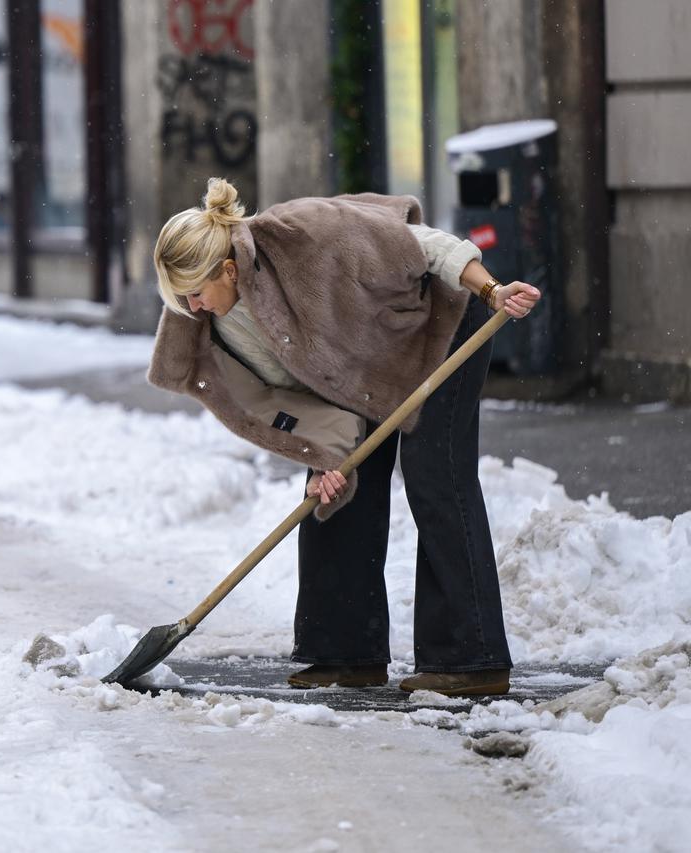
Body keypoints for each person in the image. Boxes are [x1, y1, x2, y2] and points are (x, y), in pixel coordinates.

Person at [150, 178, 541, 697]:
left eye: (194, 294)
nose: (190, 308)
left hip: (436, 326)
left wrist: (491, 290)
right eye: (179, 299)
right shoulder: (214, 325)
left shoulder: (308, 233)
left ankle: (471, 659)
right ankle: (345, 652)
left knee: (434, 476)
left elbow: (425, 247)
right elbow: (280, 400)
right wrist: (324, 455)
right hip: (354, 370)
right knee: (335, 491)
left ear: (226, 269)